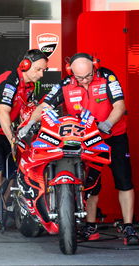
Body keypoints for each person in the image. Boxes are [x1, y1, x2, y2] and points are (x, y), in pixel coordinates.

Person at [20, 53, 138, 245]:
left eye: (89, 76)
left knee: (124, 180)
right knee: (90, 184)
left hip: (114, 136)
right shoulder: (65, 83)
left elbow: (119, 105)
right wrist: (30, 123)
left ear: (94, 67)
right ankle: (90, 226)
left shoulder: (108, 77)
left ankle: (128, 226)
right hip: (86, 139)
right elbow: (45, 105)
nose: (85, 81)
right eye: (80, 77)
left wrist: (107, 124)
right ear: (71, 73)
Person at [0, 49, 49, 230]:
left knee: (15, 169)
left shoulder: (29, 86)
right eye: (38, 69)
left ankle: (4, 206)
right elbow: (3, 111)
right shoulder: (10, 80)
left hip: (2, 128)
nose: (41, 74)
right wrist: (12, 138)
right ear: (25, 65)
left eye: (44, 70)